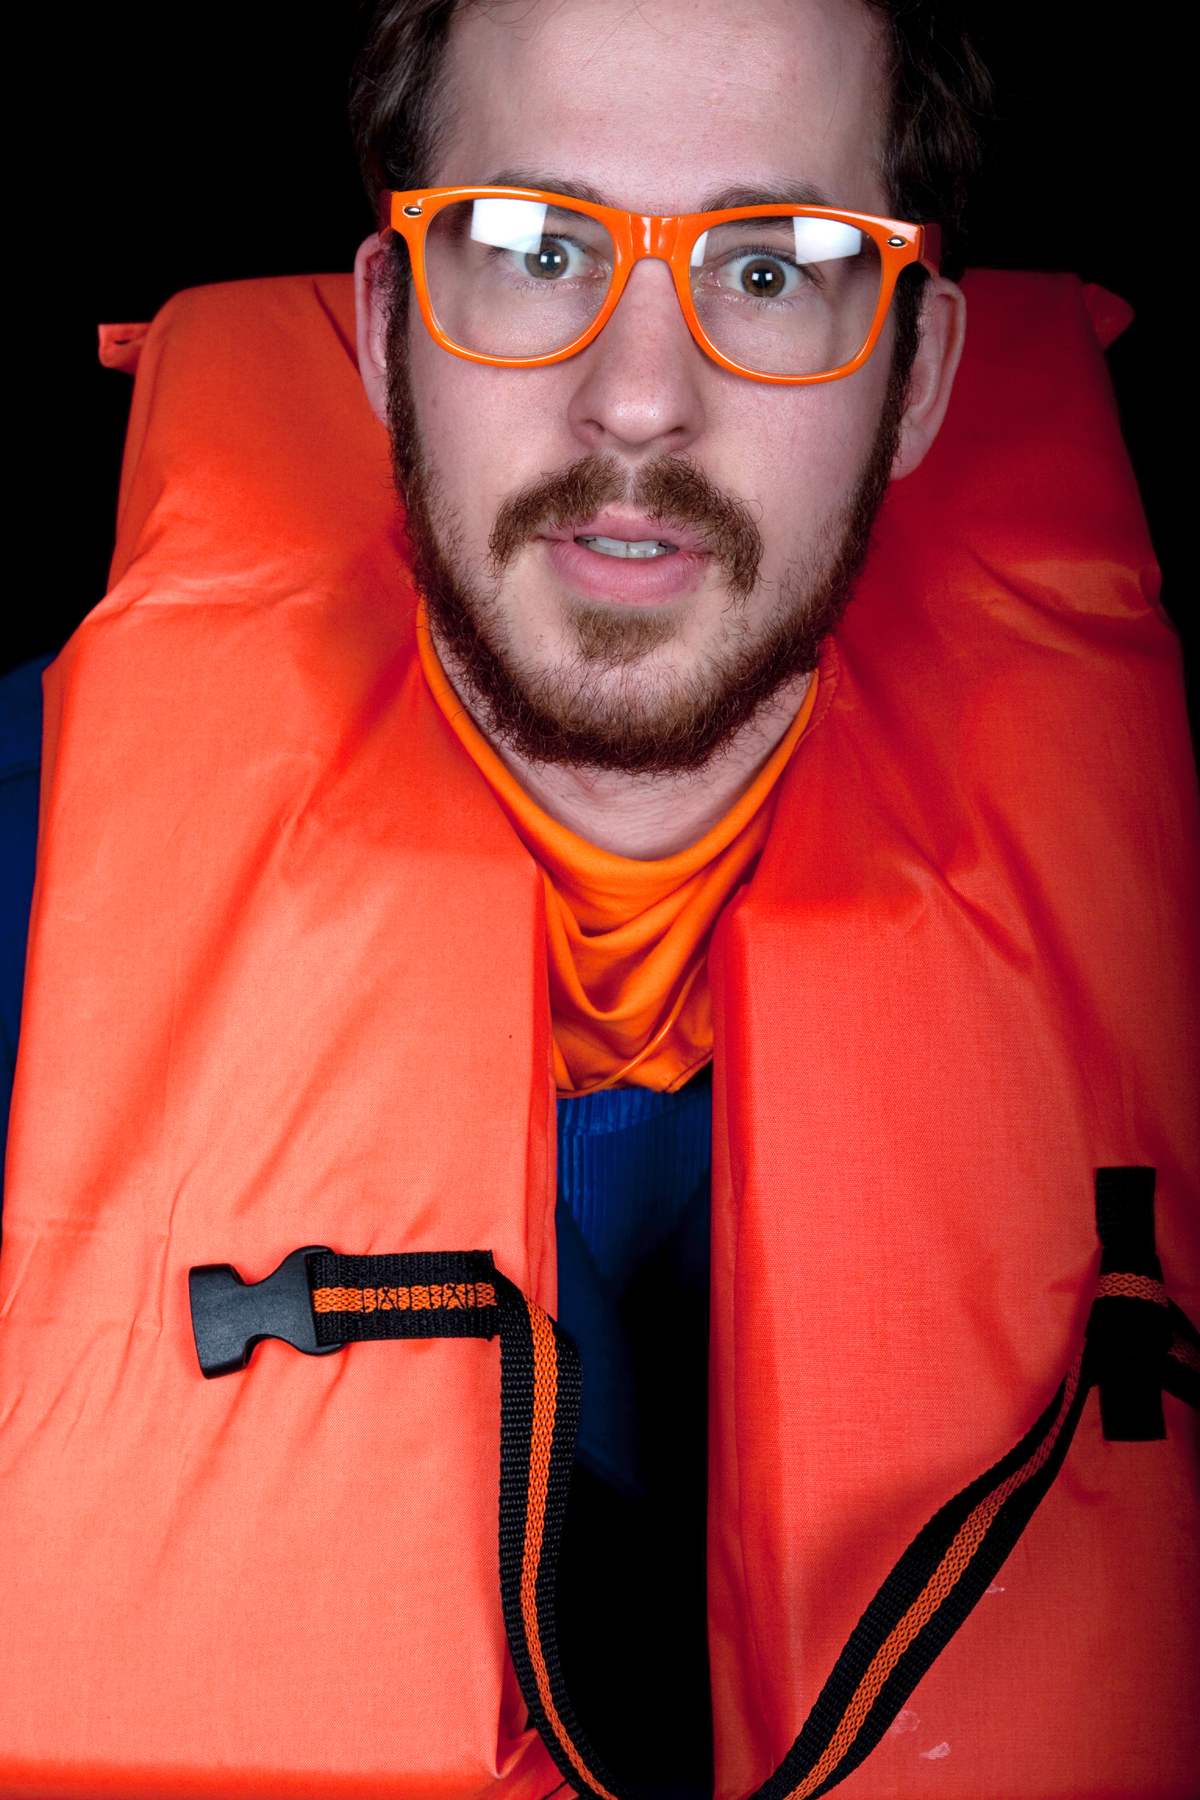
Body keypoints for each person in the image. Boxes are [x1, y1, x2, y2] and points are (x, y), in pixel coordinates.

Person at [0, 2, 1196, 1797]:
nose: (639, 398)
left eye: (774, 267)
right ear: (391, 329)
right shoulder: (18, 913)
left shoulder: (1169, 946)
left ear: (921, 371)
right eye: (533, 246)